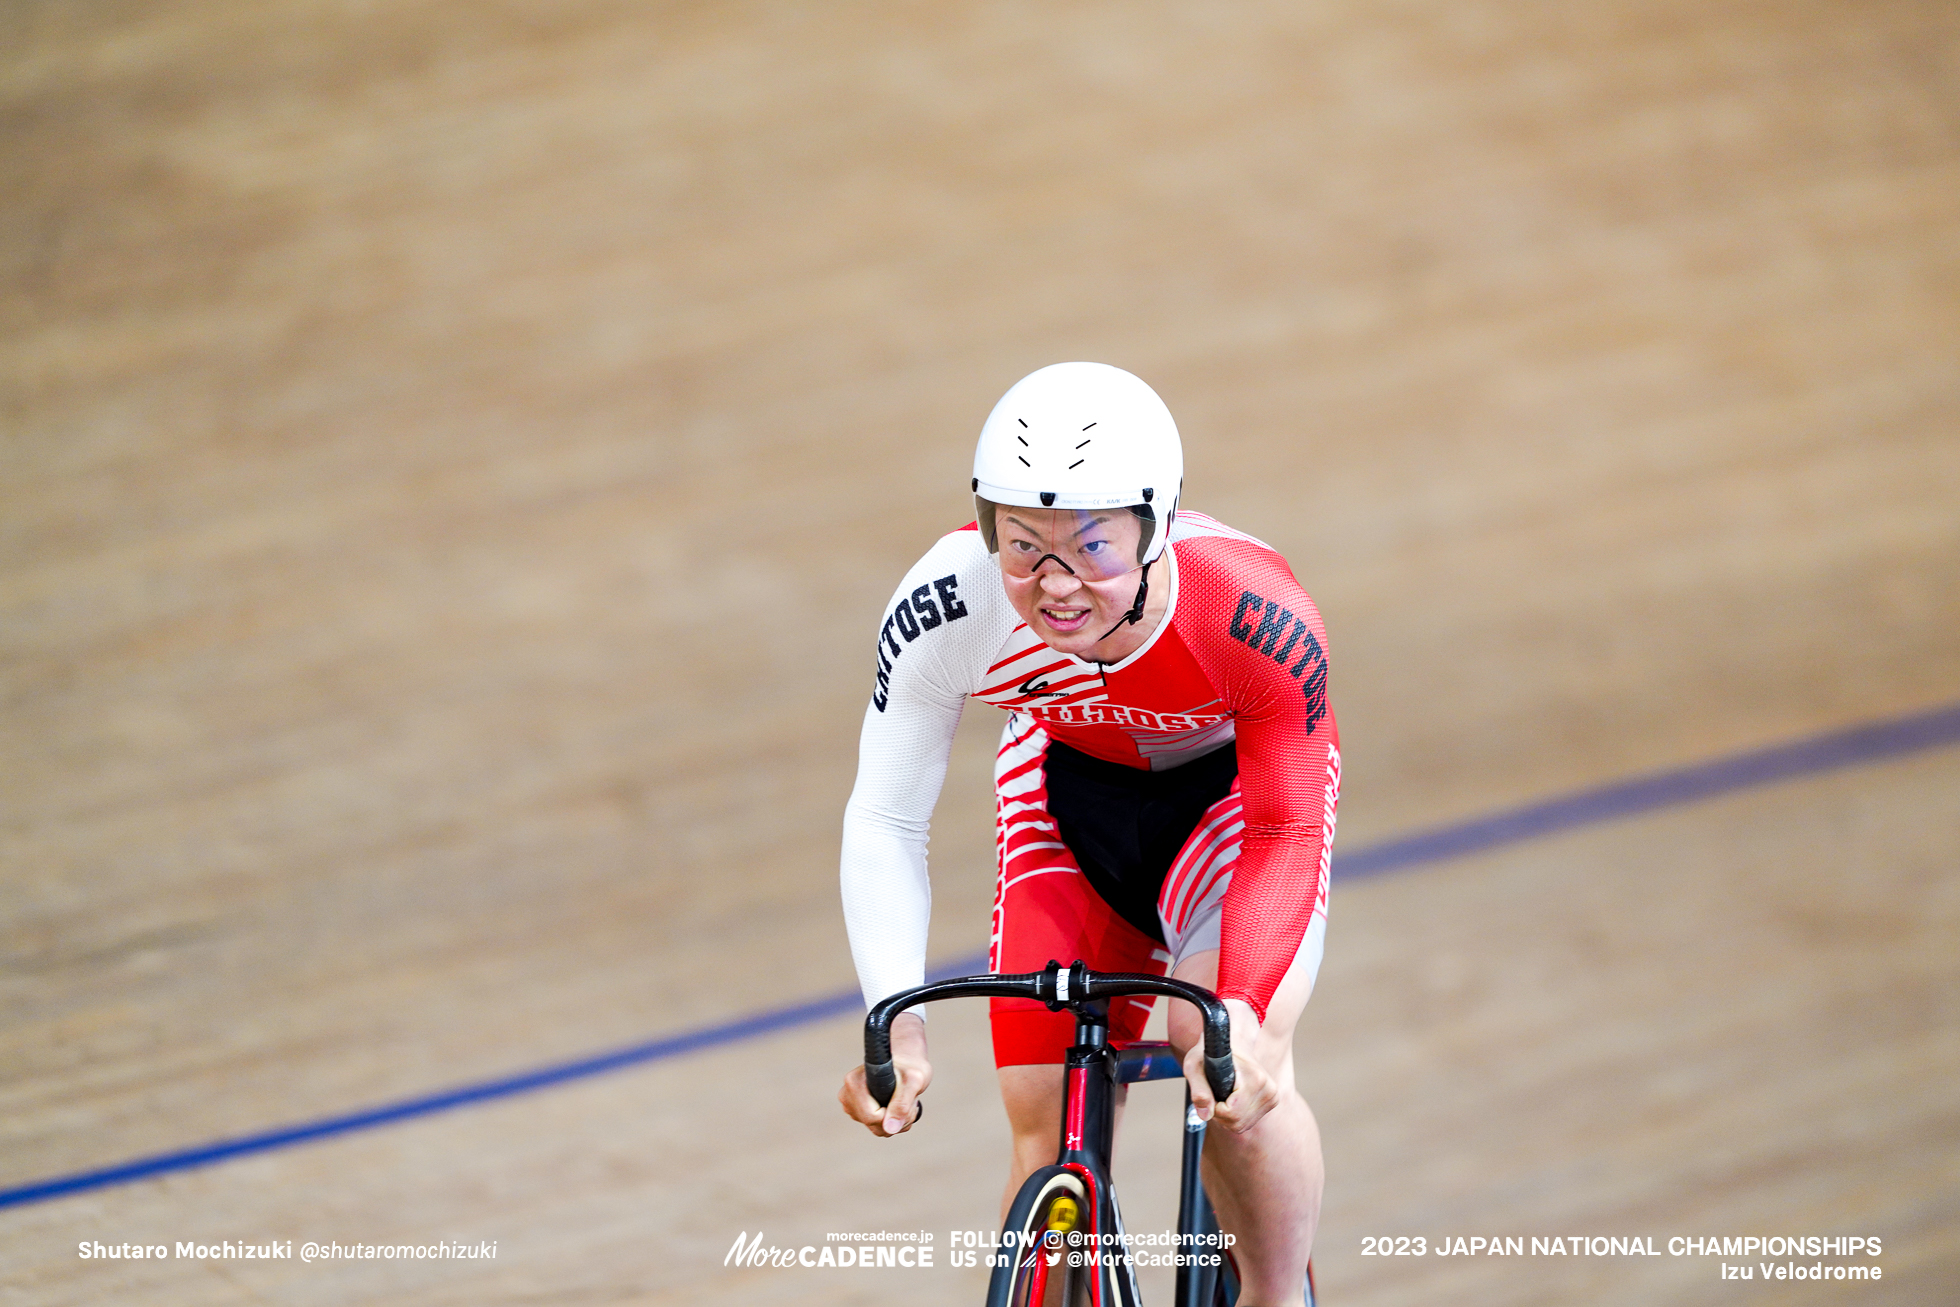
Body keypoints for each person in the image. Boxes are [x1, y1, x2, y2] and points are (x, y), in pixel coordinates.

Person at [836, 362, 1339, 1306]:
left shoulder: (1251, 612)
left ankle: (1279, 1295)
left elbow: (1288, 822)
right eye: (1023, 546)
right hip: (1067, 792)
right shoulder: (949, 604)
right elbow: (886, 814)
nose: (1055, 585)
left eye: (1093, 547)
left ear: (1157, 530)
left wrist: (1252, 1011)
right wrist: (894, 1016)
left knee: (1227, 1065)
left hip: (1229, 809)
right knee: (1040, 1120)